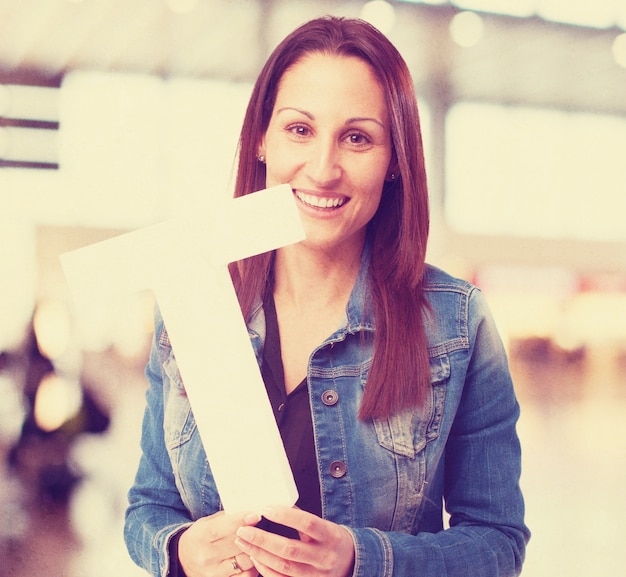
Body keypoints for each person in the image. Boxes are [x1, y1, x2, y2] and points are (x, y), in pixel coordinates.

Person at [124, 15, 530, 577]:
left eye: (357, 137)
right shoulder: (194, 299)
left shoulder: (456, 322)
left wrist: (359, 560)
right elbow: (148, 507)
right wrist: (179, 550)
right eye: (299, 129)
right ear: (261, 140)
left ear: (393, 163)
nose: (321, 169)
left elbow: (497, 543)